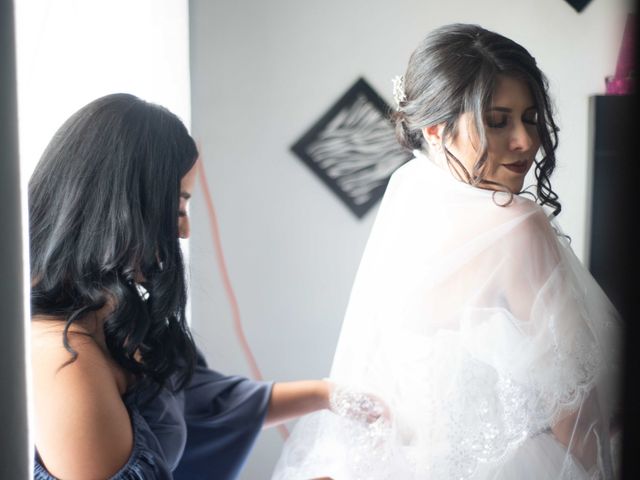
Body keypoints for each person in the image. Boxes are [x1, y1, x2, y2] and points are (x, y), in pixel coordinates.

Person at [272, 24, 622, 479]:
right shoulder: (517, 224)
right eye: (498, 122)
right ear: (436, 130)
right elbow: (573, 412)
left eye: (531, 117)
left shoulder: (411, 195)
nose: (525, 141)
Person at [29, 93, 385, 480]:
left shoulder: (115, 314)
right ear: (122, 206)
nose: (184, 229)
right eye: (179, 206)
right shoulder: (67, 362)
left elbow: (203, 401)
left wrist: (326, 393)